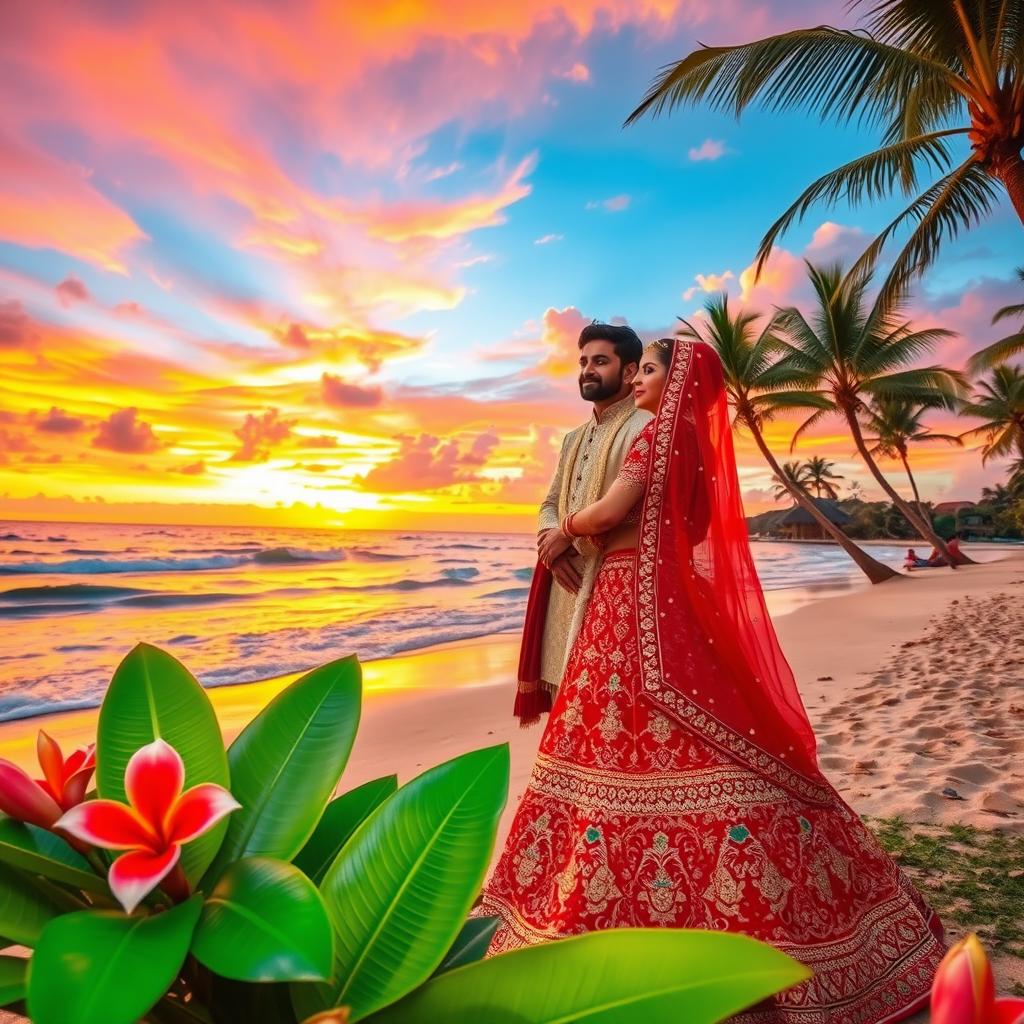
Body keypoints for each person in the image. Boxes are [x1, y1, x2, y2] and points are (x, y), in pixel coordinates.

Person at [477, 338, 945, 1023]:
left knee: (604, 740)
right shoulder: (688, 442)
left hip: (625, 598)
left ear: (676, 381)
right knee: (681, 731)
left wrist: (570, 532)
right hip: (664, 595)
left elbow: (609, 515)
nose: (636, 378)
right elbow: (690, 525)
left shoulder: (653, 442)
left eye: (647, 369)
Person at [515, 322, 651, 725]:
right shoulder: (573, 439)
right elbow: (550, 501)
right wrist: (550, 550)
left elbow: (633, 514)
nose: (588, 370)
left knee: (610, 706)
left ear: (629, 371)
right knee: (563, 700)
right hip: (564, 583)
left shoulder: (643, 429)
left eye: (600, 361)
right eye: (583, 361)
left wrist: (566, 538)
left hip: (613, 587)